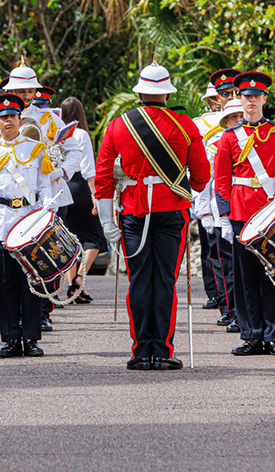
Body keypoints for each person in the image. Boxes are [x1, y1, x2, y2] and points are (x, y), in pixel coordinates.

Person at [95, 58, 211, 370]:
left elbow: (103, 177)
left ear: (139, 94)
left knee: (139, 282)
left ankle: (140, 351)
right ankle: (162, 350)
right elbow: (201, 177)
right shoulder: (186, 126)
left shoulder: (119, 124)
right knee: (165, 281)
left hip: (134, 211)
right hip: (172, 210)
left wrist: (107, 223)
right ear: (168, 95)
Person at [214, 71, 275, 356]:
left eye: (255, 96)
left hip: (270, 213)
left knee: (274, 275)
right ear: (240, 99)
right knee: (245, 276)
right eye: (246, 97)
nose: (251, 101)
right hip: (239, 211)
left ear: (264, 98)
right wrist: (223, 216)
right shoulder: (228, 138)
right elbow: (222, 179)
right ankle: (251, 335)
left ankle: (274, 336)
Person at [1, 58, 82, 331]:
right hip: (13, 199)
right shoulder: (0, 120)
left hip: (49, 195)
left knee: (47, 254)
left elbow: (75, 151)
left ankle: (44, 310)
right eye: (20, 91)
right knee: (14, 259)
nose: (25, 96)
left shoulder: (50, 118)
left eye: (29, 91)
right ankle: (18, 316)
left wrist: (58, 173)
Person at [0, 93, 53, 358]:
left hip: (28, 221)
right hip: (1, 221)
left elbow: (44, 188)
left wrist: (47, 214)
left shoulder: (35, 149)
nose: (8, 122)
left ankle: (31, 338)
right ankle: (10, 339)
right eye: (3, 118)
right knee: (7, 285)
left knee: (31, 281)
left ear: (20, 120)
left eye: (12, 117)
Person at [194, 68, 241, 333]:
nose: (231, 97)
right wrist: (204, 207)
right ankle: (229, 307)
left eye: (236, 92)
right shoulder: (204, 126)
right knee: (221, 258)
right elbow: (203, 171)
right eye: (225, 94)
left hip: (246, 202)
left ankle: (246, 312)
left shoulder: (253, 124)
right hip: (217, 201)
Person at [59, 96, 107, 303]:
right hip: (78, 186)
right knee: (95, 237)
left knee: (70, 239)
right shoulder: (81, 134)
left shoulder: (55, 134)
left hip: (59, 186)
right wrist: (95, 195)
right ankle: (80, 278)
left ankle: (74, 288)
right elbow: (88, 169)